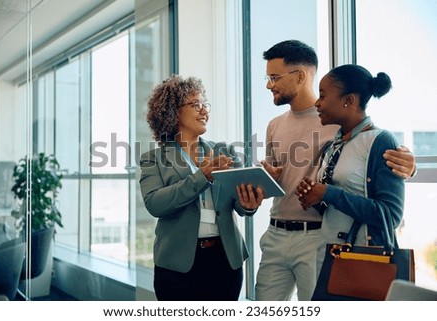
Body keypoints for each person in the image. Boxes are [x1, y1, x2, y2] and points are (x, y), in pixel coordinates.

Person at [255, 40, 415, 301]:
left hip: (325, 241)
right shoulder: (293, 129)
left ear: (299, 76)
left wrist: (411, 165)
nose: (268, 84)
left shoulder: (348, 129)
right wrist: (263, 186)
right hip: (280, 234)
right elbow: (319, 189)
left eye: (274, 77)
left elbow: (383, 191)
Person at [139, 75, 264, 301]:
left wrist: (249, 204)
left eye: (204, 105)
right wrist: (201, 176)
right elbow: (156, 204)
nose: (204, 111)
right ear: (172, 112)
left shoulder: (224, 151)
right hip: (177, 265)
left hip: (225, 260)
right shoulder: (153, 159)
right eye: (195, 105)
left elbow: (240, 204)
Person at [295, 64, 404, 280]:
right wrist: (314, 197)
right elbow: (335, 208)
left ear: (349, 100)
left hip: (363, 259)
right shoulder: (333, 144)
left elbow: (390, 216)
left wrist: (327, 193)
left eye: (323, 96)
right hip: (328, 256)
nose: (317, 103)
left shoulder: (380, 141)